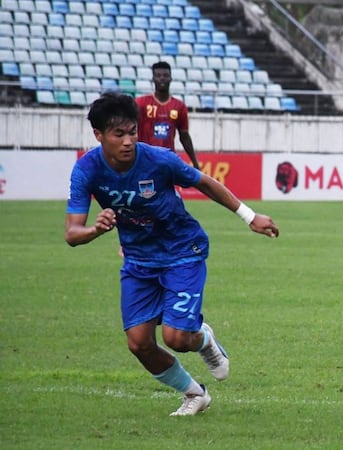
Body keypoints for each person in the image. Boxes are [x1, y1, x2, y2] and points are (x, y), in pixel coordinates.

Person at [64, 92, 280, 416]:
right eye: (118, 134)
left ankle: (204, 339)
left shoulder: (158, 159)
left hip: (182, 250)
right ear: (98, 135)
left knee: (177, 337)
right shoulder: (87, 170)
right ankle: (194, 394)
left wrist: (250, 217)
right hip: (139, 261)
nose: (128, 141)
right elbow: (72, 233)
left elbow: (205, 183)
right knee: (139, 343)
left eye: (132, 132)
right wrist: (95, 230)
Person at [136, 61, 200, 169]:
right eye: (158, 75)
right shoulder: (141, 103)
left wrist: (195, 163)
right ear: (153, 78)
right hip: (144, 159)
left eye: (165, 76)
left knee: (167, 186)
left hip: (168, 160)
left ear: (170, 78)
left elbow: (184, 136)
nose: (162, 78)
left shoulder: (179, 106)